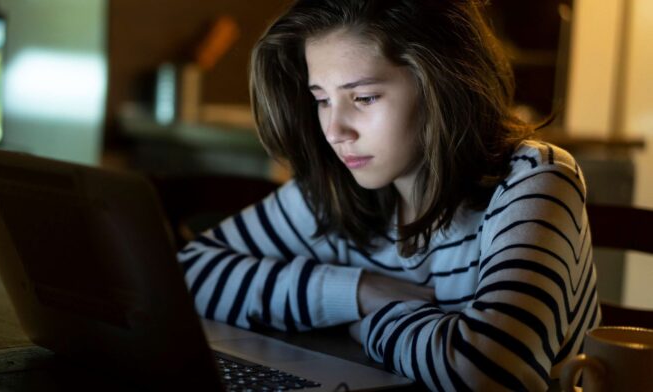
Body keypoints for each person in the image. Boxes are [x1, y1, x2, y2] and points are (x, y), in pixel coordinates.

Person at [176, 0, 599, 390]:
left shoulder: (535, 178)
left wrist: (370, 321)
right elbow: (187, 275)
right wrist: (356, 291)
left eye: (363, 97)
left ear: (441, 84)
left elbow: (490, 372)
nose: (334, 131)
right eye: (321, 99)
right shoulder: (334, 189)